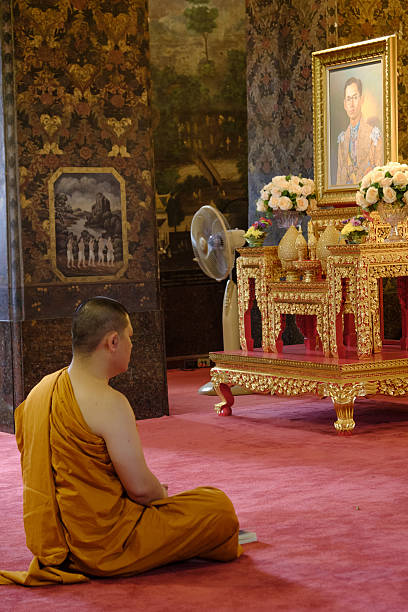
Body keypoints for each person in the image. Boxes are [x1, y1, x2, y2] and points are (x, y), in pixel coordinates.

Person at [0, 297, 241, 586]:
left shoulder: (40, 392)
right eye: (130, 338)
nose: (132, 345)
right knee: (217, 508)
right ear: (112, 342)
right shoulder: (110, 403)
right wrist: (161, 499)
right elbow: (141, 491)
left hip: (57, 547)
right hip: (107, 546)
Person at [336, 76, 383, 186]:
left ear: (362, 100)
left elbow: (380, 171)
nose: (351, 104)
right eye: (348, 99)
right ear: (344, 104)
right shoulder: (342, 139)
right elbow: (339, 178)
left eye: (355, 97)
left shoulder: (373, 134)